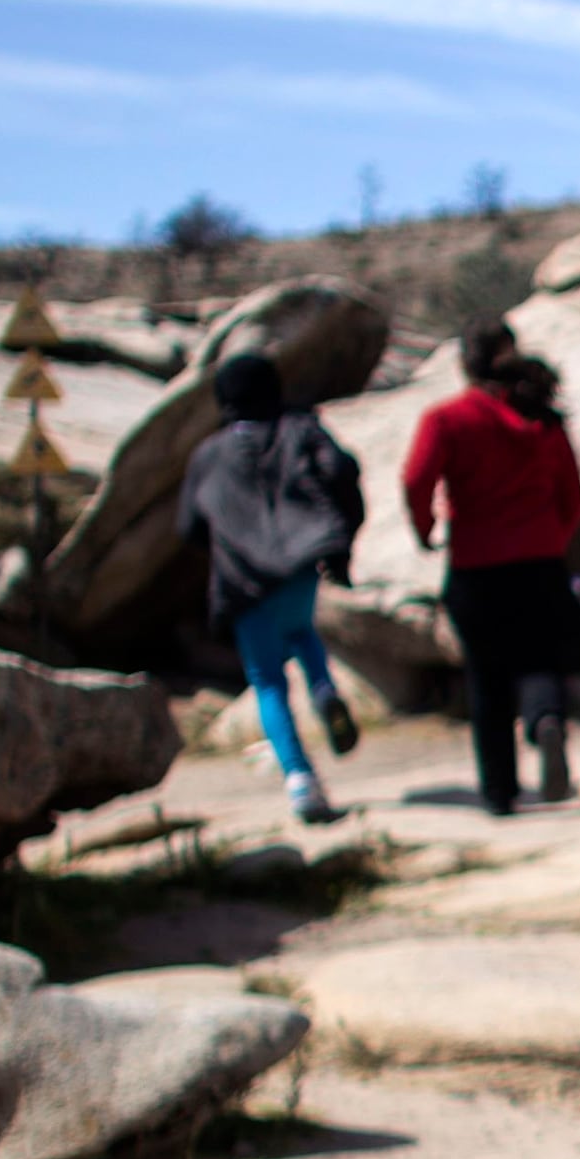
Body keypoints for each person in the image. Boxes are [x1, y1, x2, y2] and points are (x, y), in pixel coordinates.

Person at [400, 318, 580, 813]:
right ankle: (546, 720)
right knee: (540, 659)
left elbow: (417, 480)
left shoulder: (448, 418)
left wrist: (425, 531)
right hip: (542, 562)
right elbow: (572, 495)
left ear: (464, 364)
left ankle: (501, 793)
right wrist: (551, 539)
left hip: (476, 565)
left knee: (487, 677)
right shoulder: (544, 419)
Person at [176, 347, 368, 824]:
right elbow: (342, 471)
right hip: (300, 568)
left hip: (244, 583)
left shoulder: (209, 455)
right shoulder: (299, 430)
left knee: (267, 682)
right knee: (302, 631)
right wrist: (341, 537)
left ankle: (301, 779)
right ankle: (323, 687)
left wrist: (225, 540)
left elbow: (188, 526)